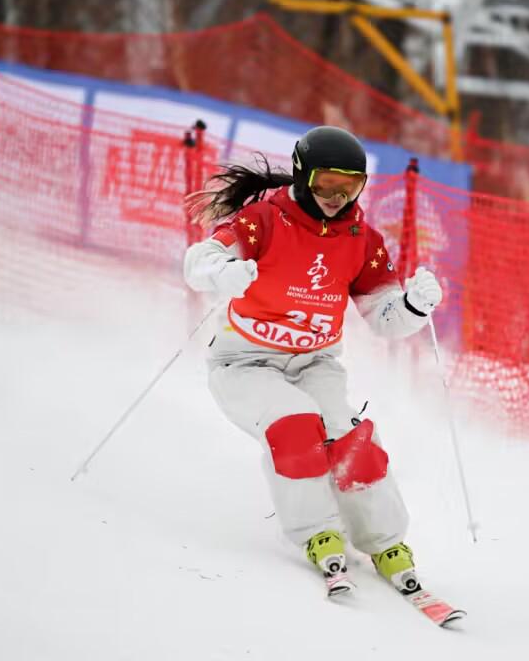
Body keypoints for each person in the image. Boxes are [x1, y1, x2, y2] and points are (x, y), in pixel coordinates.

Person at [182, 126, 443, 597]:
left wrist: (412, 307)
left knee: (350, 438)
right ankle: (317, 532)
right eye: (326, 182)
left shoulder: (362, 239)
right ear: (304, 177)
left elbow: (382, 317)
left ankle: (386, 542)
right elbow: (200, 259)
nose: (336, 195)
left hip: (314, 364)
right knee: (296, 424)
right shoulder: (264, 219)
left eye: (350, 185)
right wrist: (219, 272)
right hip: (245, 362)